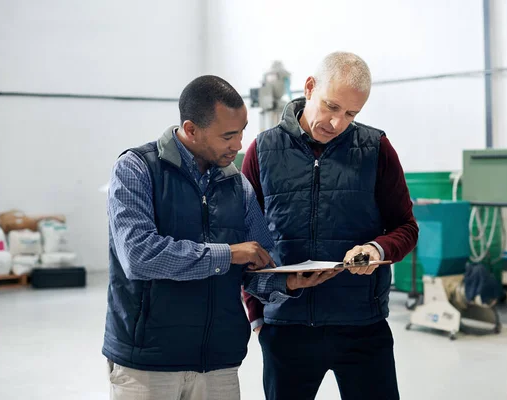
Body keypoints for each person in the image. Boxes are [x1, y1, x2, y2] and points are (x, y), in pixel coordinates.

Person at [101, 75, 337, 400]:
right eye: (228, 135)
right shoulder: (136, 170)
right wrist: (229, 253)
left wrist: (287, 282)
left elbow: (255, 267)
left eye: (242, 131)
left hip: (219, 364)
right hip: (147, 362)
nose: (239, 145)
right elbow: (139, 257)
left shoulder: (237, 186)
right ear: (191, 129)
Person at [241, 52, 419, 400]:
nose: (337, 122)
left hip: (361, 326)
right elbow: (243, 240)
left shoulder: (376, 149)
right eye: (331, 106)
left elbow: (405, 226)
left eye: (351, 114)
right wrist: (257, 317)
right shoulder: (263, 150)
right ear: (309, 88)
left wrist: (376, 249)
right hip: (286, 326)